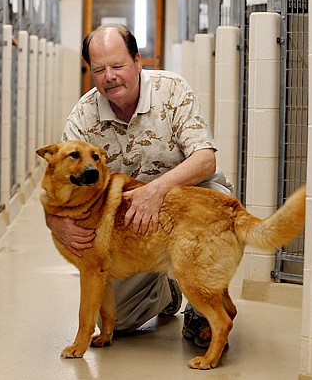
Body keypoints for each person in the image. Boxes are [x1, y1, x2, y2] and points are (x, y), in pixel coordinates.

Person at [44, 24, 233, 347]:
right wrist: (55, 221)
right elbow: (62, 178)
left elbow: (205, 160)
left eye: (118, 66)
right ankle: (169, 288)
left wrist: (155, 192)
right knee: (123, 320)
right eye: (99, 69)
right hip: (133, 228)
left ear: (137, 61)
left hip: (189, 206)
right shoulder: (84, 115)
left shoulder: (172, 90)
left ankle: (202, 310)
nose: (109, 77)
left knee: (211, 203)